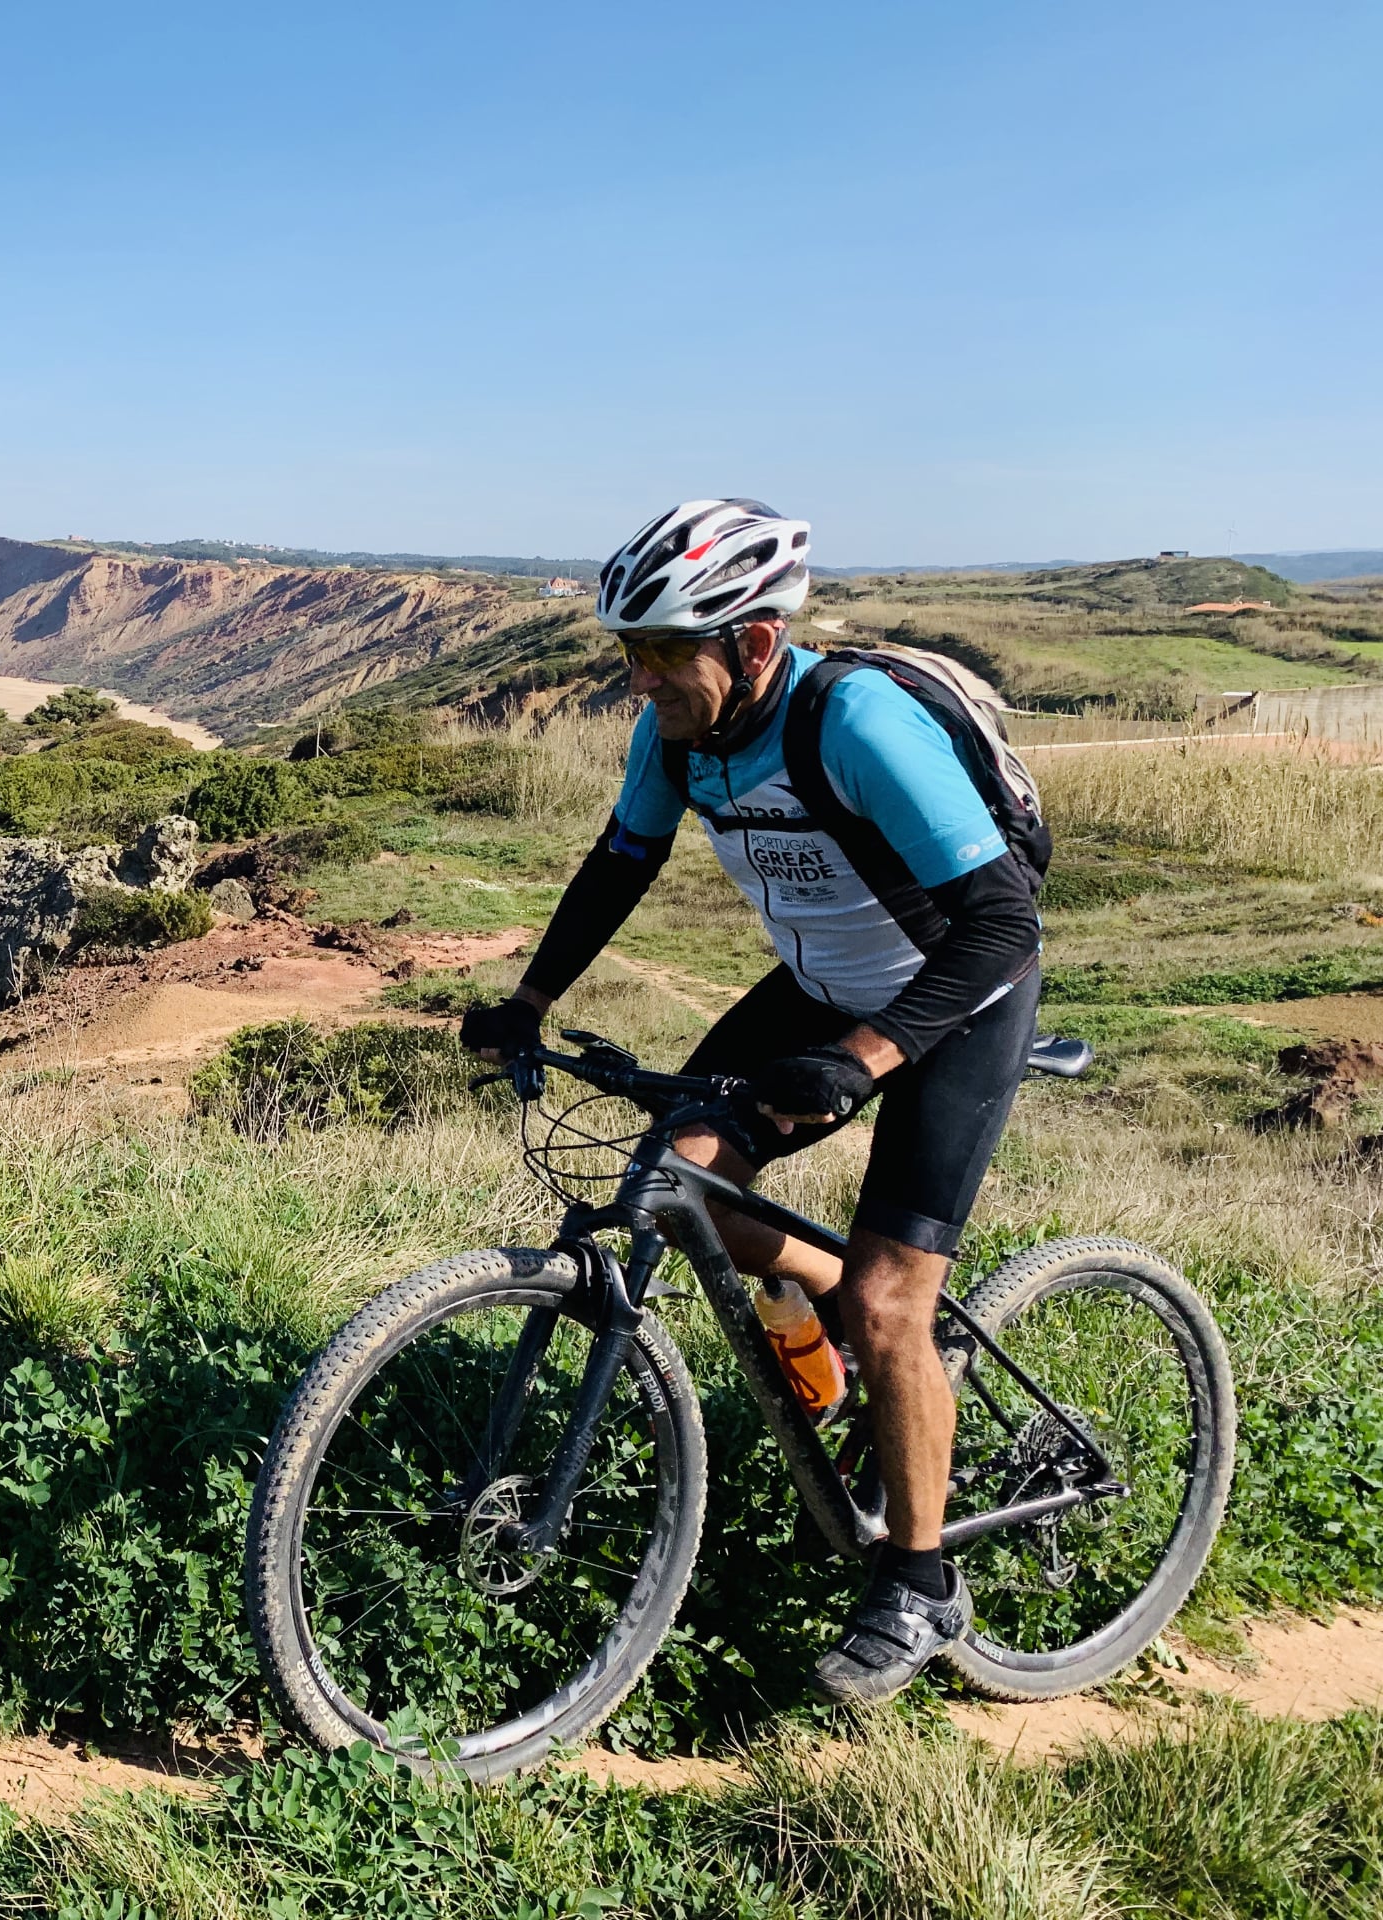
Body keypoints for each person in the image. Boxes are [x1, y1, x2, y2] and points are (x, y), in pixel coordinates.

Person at [459, 498, 1043, 1703]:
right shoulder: (674, 736)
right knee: (679, 1181)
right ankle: (840, 1326)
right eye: (630, 653)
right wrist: (526, 998)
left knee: (892, 1297)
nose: (641, 679)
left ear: (756, 643)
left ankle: (920, 1583)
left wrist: (864, 1059)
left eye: (666, 652)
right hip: (820, 988)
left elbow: (1001, 921)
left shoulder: (856, 723)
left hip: (954, 1002)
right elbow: (622, 863)